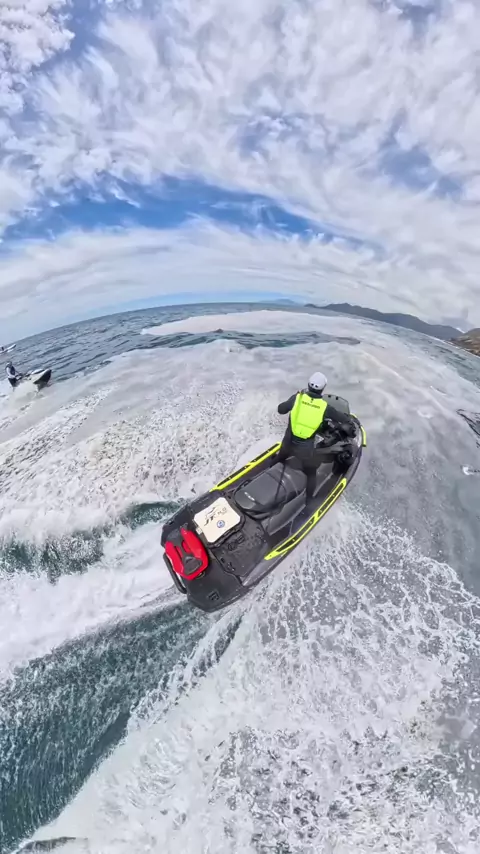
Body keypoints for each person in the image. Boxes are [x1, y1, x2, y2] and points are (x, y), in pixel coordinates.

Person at [274, 371, 355, 499]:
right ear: (323, 389)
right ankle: (309, 501)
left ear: (308, 385)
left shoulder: (297, 398)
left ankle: (267, 471)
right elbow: (342, 418)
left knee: (279, 458)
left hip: (287, 444)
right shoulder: (324, 407)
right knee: (311, 473)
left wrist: (294, 398)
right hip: (304, 450)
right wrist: (349, 421)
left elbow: (281, 409)